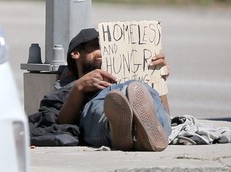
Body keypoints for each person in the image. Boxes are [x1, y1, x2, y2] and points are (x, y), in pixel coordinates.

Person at [29, 28, 171, 151]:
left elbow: (166, 111)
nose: (106, 51)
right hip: (102, 100)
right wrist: (79, 88)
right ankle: (115, 128)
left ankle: (146, 133)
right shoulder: (69, 89)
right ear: (76, 53)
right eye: (98, 45)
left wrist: (158, 78)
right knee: (109, 101)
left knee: (141, 91)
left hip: (138, 88)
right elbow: (61, 124)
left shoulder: (138, 84)